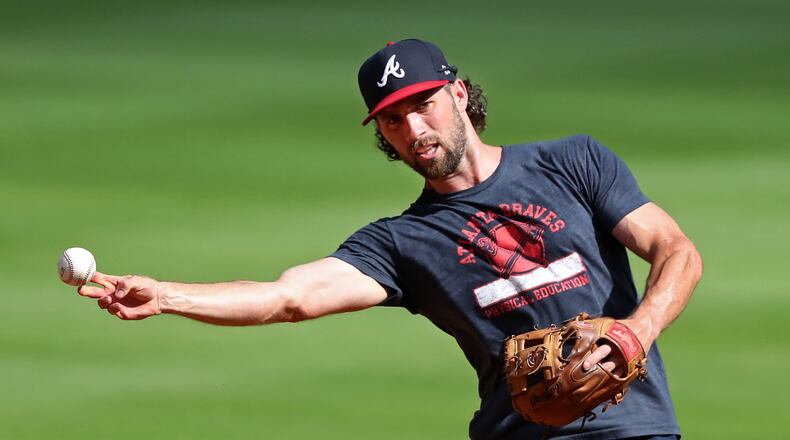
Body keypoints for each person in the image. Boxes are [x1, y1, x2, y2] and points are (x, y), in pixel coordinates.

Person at [78, 39, 702, 439]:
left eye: (424, 104)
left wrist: (631, 335)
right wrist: (168, 295)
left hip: (636, 429)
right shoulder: (403, 242)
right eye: (393, 119)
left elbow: (677, 252)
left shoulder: (572, 162)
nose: (413, 128)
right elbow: (289, 296)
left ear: (458, 94)